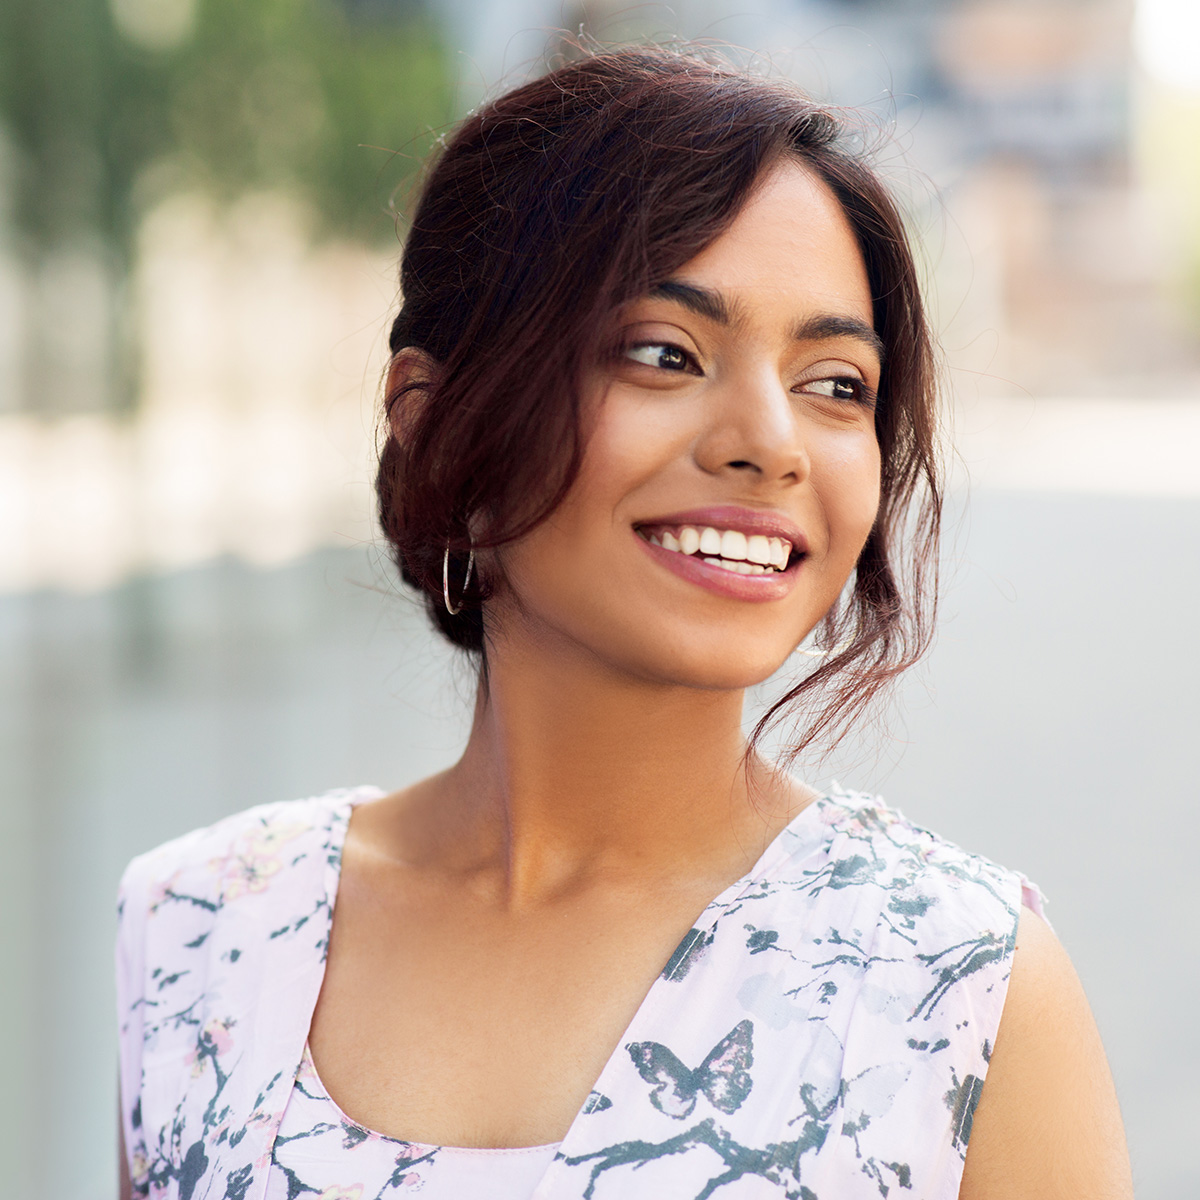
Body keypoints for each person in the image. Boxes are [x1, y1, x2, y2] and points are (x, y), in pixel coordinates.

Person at [116, 47, 1133, 1200]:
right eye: (665, 354)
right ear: (435, 420)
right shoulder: (201, 927)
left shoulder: (960, 985)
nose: (771, 440)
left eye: (836, 382)